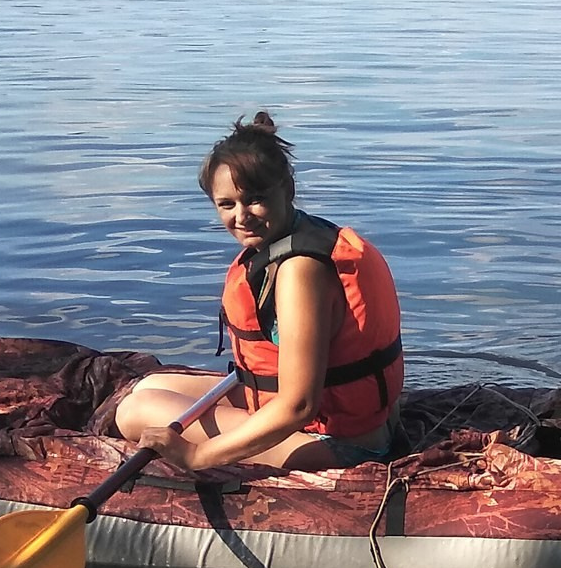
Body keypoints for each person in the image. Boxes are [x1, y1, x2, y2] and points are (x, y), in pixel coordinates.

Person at [113, 114, 404, 472]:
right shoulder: (298, 238)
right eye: (227, 204)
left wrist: (197, 455)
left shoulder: (300, 270)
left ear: (288, 190)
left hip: (340, 442)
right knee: (149, 385)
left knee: (132, 413)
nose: (241, 216)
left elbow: (298, 406)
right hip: (329, 416)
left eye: (255, 199)